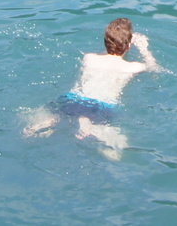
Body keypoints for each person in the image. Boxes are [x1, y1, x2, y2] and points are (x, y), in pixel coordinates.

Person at [23, 18, 160, 159]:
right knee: (115, 154)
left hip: (72, 99)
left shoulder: (89, 58)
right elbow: (155, 70)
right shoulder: (133, 67)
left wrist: (119, 42)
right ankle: (86, 125)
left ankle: (47, 123)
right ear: (129, 46)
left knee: (58, 116)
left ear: (106, 42)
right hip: (101, 106)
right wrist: (144, 48)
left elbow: (107, 54)